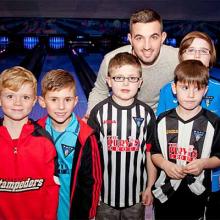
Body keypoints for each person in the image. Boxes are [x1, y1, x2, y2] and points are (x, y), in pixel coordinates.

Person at [88, 52, 157, 220]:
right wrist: (92, 190)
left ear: (140, 83)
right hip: (104, 197)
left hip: (136, 197)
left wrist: (150, 187)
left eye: (132, 78)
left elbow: (150, 153)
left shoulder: (147, 113)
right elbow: (91, 157)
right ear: (109, 81)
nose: (126, 82)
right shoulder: (98, 112)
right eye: (119, 78)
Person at [151, 60, 220, 220]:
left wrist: (204, 163)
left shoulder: (213, 122)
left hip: (197, 195)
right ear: (174, 88)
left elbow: (218, 157)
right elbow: (154, 152)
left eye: (198, 89)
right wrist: (165, 164)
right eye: (185, 88)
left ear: (205, 90)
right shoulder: (162, 120)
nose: (191, 95)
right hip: (164, 193)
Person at [86, 8, 179, 116]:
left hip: (159, 118)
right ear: (130, 39)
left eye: (154, 37)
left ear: (163, 38)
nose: (147, 46)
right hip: (123, 117)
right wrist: (90, 117)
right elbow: (100, 92)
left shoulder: (176, 58)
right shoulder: (111, 60)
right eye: (139, 38)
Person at [38, 69, 102, 220]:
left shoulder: (85, 136)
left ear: (75, 101)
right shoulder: (36, 132)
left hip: (74, 213)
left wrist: (90, 214)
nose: (61, 107)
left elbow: (93, 180)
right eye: (54, 99)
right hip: (43, 212)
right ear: (42, 101)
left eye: (67, 99)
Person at [0, 66, 59, 220]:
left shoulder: (44, 142)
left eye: (25, 97)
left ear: (34, 101)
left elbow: (51, 191)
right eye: (10, 96)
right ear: (0, 99)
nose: (17, 103)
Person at [157, 31, 220, 116]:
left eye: (203, 51)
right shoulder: (166, 90)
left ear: (211, 57)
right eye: (191, 50)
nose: (197, 55)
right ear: (181, 56)